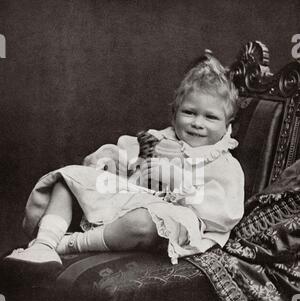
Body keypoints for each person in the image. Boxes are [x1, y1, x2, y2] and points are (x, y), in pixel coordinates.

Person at [5, 54, 244, 266]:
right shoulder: (157, 140)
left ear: (227, 125)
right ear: (174, 114)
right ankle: (44, 244)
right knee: (71, 178)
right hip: (129, 199)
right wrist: (112, 163)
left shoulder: (222, 164)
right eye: (189, 112)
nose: (197, 123)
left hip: (172, 217)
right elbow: (122, 157)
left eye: (210, 117)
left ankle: (70, 244)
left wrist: (176, 181)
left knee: (142, 222)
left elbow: (222, 215)